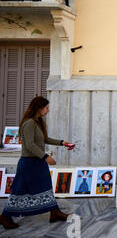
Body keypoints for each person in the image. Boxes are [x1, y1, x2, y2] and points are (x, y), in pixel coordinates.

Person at [0, 96, 73, 229]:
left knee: (47, 187)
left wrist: (63, 143)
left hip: (38, 163)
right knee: (19, 190)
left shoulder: (37, 122)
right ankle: (5, 216)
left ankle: (54, 212)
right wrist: (46, 157)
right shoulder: (29, 123)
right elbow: (30, 145)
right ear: (39, 108)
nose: (48, 110)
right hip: (29, 164)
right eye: (46, 108)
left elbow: (44, 139)